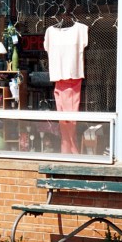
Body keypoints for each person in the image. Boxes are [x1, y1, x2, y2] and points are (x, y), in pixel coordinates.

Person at [44, 19, 88, 154]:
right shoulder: (50, 32)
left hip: (73, 78)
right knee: (64, 119)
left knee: (70, 119)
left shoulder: (80, 29)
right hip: (59, 78)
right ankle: (69, 150)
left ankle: (70, 150)